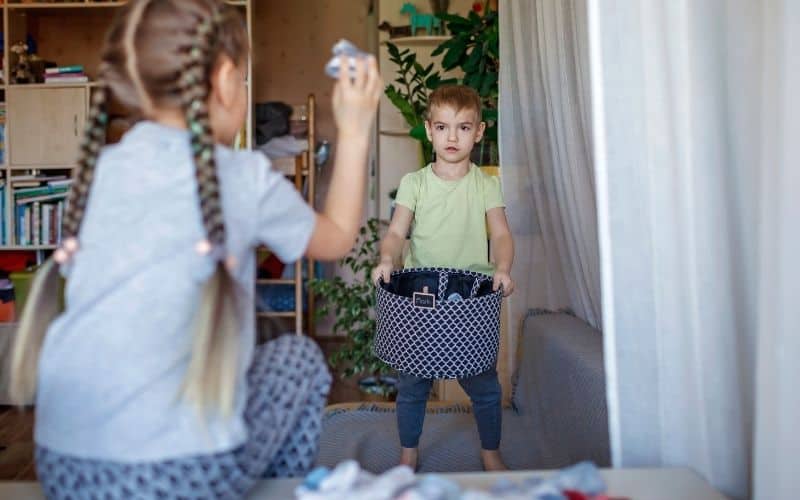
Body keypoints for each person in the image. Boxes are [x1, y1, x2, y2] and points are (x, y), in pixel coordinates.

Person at [9, 0, 381, 497]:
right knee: (299, 359)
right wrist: (354, 131)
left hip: (65, 466)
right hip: (181, 474)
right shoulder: (243, 176)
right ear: (226, 79)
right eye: (245, 79)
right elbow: (336, 235)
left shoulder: (101, 173)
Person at [371, 85, 515, 472]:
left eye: (463, 128)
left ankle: (490, 451)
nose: (453, 137)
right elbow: (397, 232)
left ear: (479, 132)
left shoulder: (486, 185)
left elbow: (500, 234)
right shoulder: (414, 183)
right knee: (413, 383)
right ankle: (408, 453)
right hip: (422, 299)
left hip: (470, 300)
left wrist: (502, 268)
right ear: (429, 130)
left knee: (483, 385)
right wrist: (387, 258)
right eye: (443, 127)